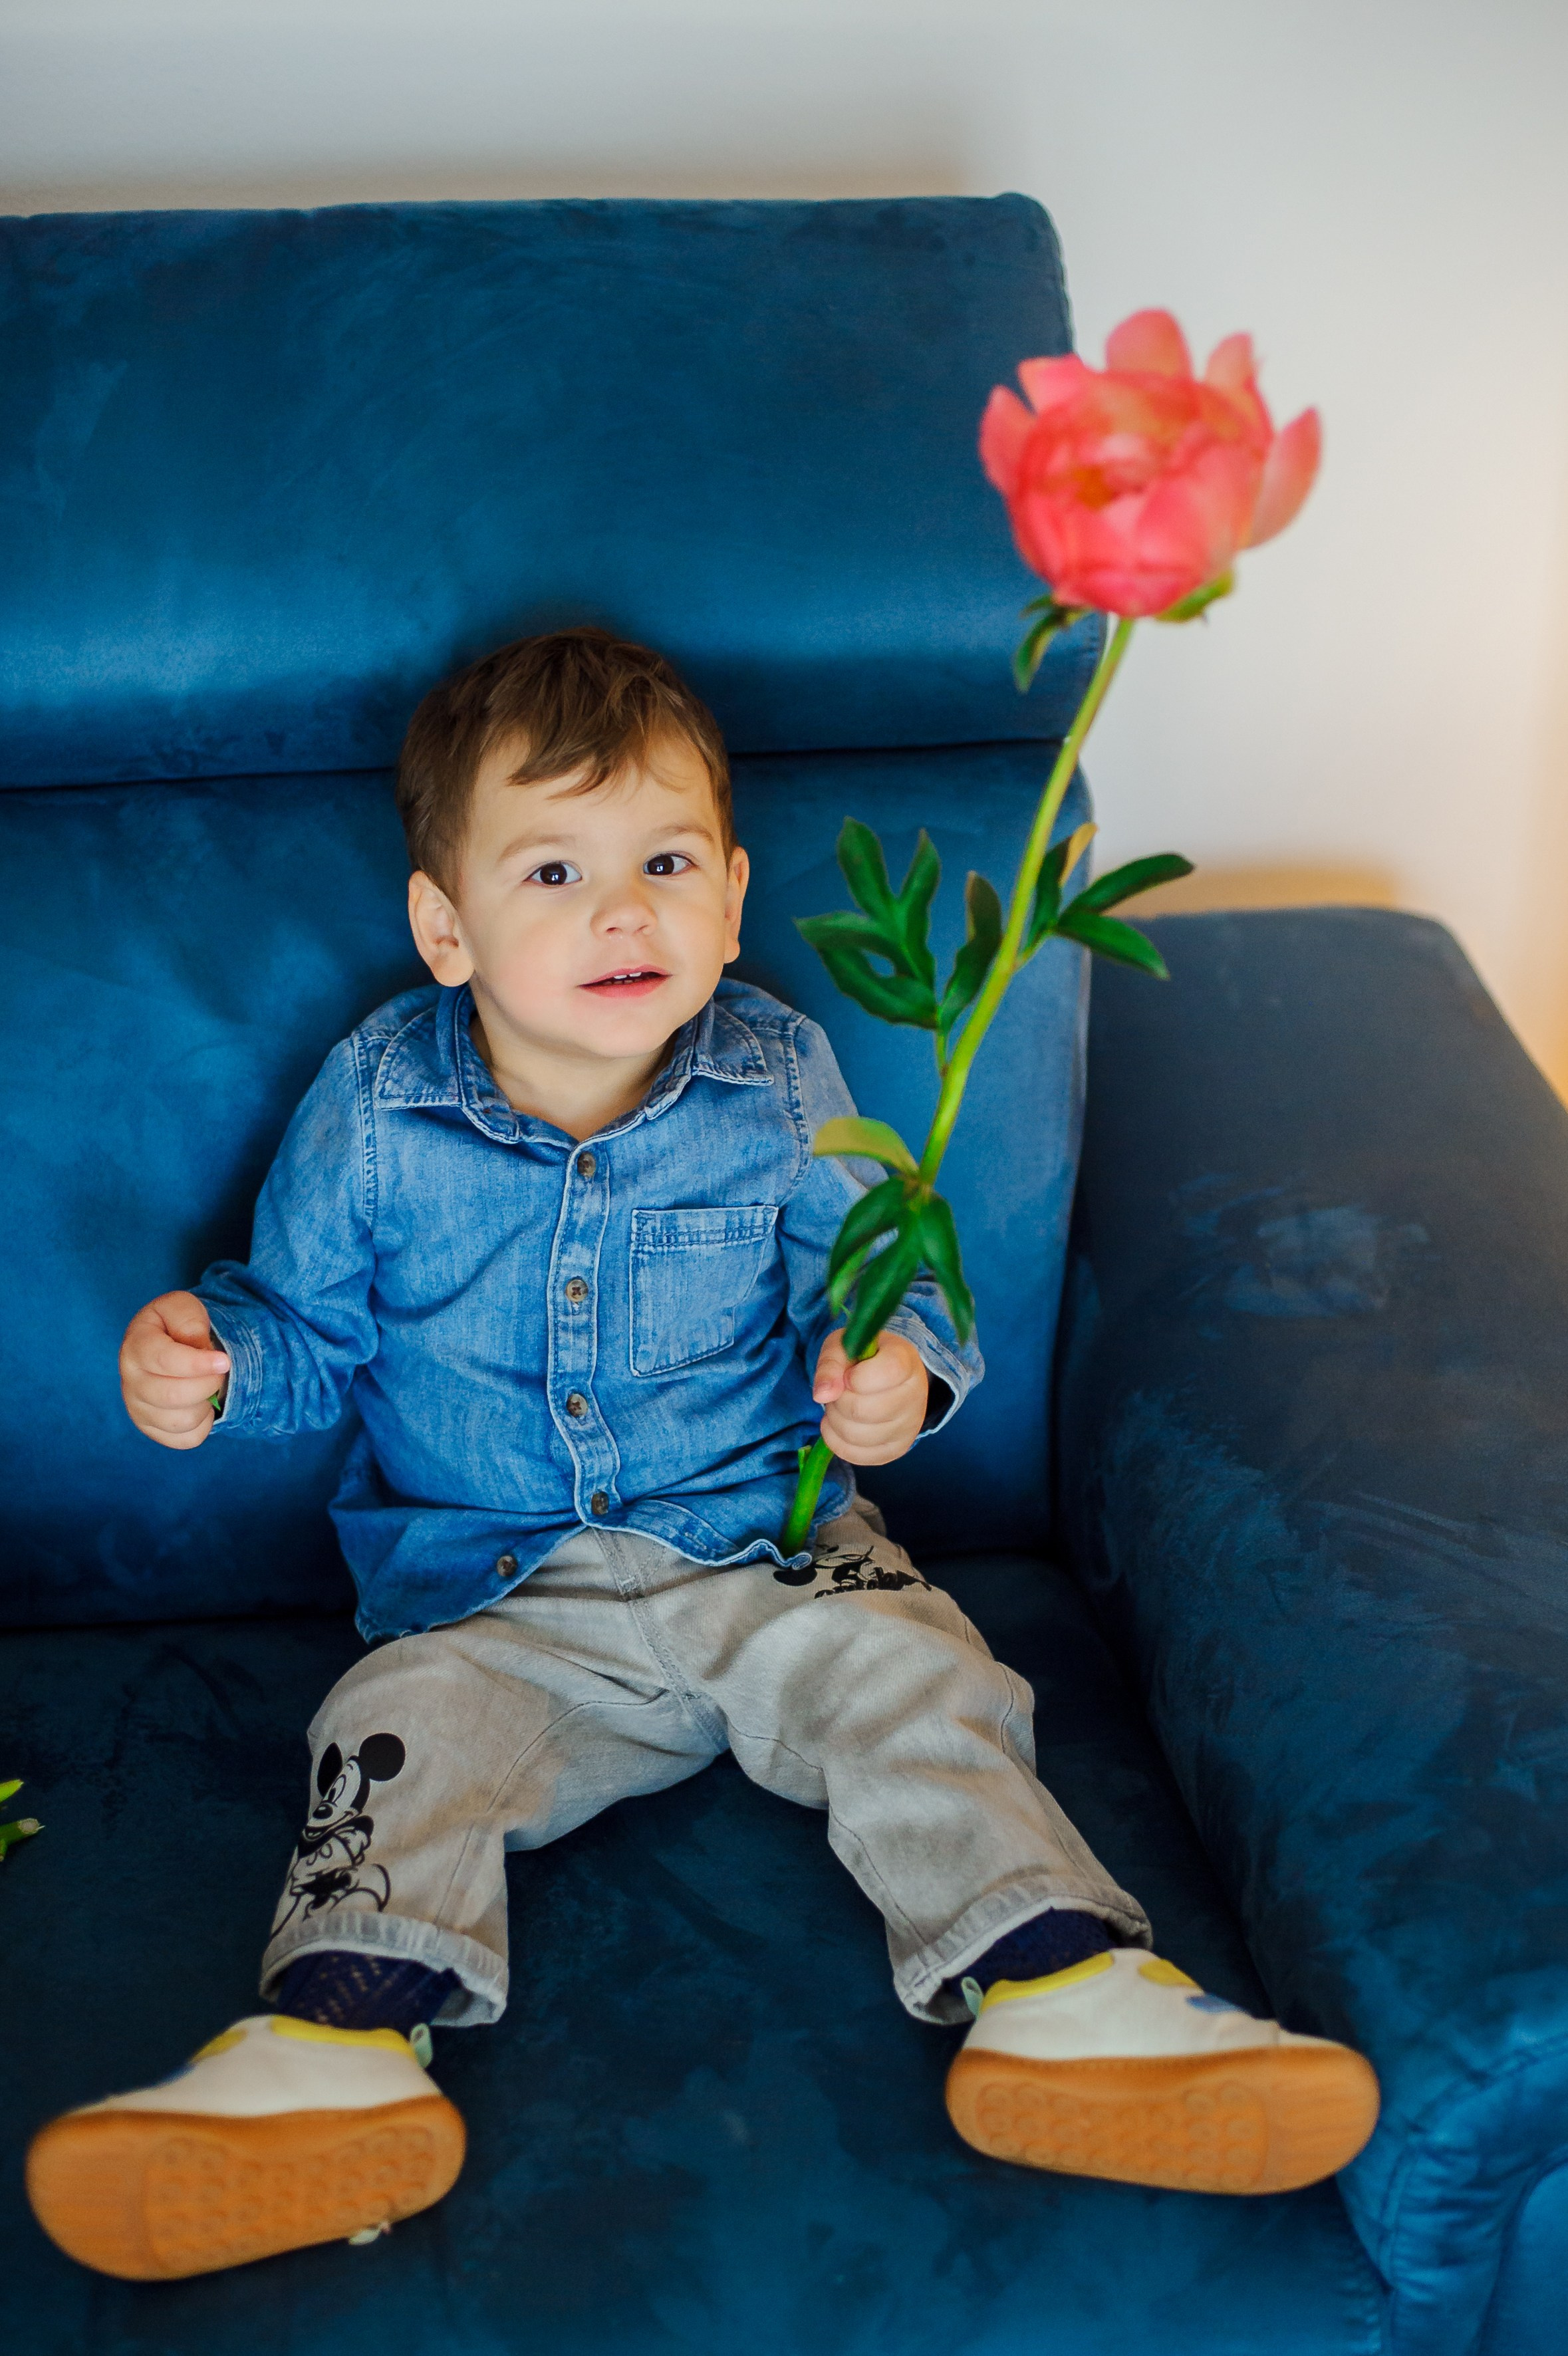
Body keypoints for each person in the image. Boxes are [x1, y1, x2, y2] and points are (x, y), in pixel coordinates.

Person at [27, 629, 1378, 2281]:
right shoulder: (377, 1106)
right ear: (447, 928)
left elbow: (882, 1274)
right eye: (554, 871)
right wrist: (217, 1364)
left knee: (920, 1681)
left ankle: (1064, 1994)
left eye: (666, 863)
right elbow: (308, 1329)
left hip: (765, 1548)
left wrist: (896, 1374)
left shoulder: (776, 1075)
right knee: (390, 1735)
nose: (624, 912)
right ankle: (335, 2047)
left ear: (732, 899)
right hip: (493, 1596)